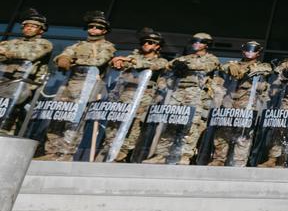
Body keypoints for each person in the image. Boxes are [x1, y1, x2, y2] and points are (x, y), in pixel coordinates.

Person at [40, 11, 117, 160]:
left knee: (74, 120)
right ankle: (51, 151)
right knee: (57, 117)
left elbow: (98, 61)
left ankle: (66, 153)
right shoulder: (79, 45)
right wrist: (62, 58)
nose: (93, 29)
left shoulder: (107, 46)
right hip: (69, 84)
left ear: (104, 31)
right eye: (91, 26)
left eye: (97, 27)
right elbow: (63, 55)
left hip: (87, 85)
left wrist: (74, 61)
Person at [145, 32, 220, 164]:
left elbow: (208, 67)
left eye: (200, 41)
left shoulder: (211, 58)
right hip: (177, 92)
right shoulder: (184, 58)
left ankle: (184, 155)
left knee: (191, 126)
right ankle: (161, 155)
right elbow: (168, 67)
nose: (196, 44)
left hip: (196, 94)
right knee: (169, 124)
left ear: (207, 45)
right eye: (194, 41)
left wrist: (188, 66)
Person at [104, 28, 169, 161]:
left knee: (135, 125)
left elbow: (150, 65)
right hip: (123, 95)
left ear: (157, 46)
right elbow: (117, 65)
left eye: (150, 42)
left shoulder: (161, 61)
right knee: (114, 123)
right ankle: (109, 149)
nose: (146, 44)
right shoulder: (131, 58)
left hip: (143, 97)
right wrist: (116, 61)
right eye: (144, 42)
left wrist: (129, 61)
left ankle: (123, 152)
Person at [209, 40, 272, 167]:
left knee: (243, 133)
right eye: (247, 49)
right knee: (223, 131)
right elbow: (223, 66)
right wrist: (233, 66)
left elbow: (266, 70)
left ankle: (238, 161)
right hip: (229, 100)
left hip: (248, 102)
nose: (249, 52)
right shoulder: (233, 63)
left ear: (258, 53)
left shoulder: (264, 65)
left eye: (253, 50)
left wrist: (246, 69)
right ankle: (219, 159)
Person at [0, 9, 52, 133]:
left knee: (13, 111)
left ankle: (6, 132)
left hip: (24, 82)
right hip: (4, 79)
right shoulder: (12, 42)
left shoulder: (44, 43)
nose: (28, 28)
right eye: (27, 26)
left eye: (33, 26)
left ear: (41, 29)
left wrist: (7, 53)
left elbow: (31, 55)